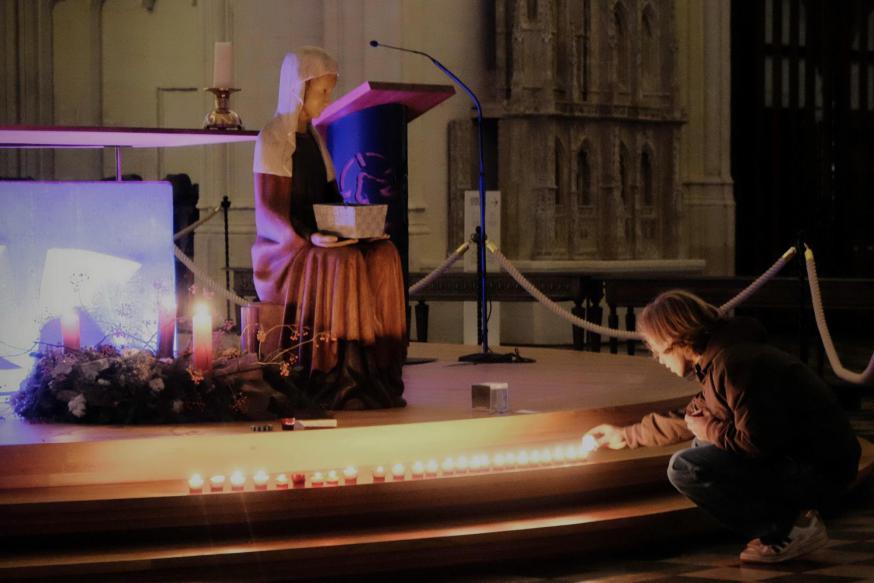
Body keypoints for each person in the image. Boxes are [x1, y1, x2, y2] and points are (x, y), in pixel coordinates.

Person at [585, 290, 860, 563]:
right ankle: (788, 521)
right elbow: (690, 417)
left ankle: (789, 530)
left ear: (675, 339)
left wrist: (708, 428)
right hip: (808, 459)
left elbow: (756, 443)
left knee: (685, 466)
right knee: (699, 447)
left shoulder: (734, 364)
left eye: (657, 349)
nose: (658, 358)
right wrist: (625, 435)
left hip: (823, 469)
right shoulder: (721, 358)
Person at [251, 47, 406, 410]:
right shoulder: (273, 138)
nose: (328, 99)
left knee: (385, 255)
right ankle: (339, 374)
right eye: (322, 91)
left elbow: (330, 199)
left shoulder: (317, 139)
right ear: (298, 90)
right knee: (345, 262)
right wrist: (309, 237)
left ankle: (379, 372)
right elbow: (270, 212)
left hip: (318, 237)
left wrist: (360, 226)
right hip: (284, 250)